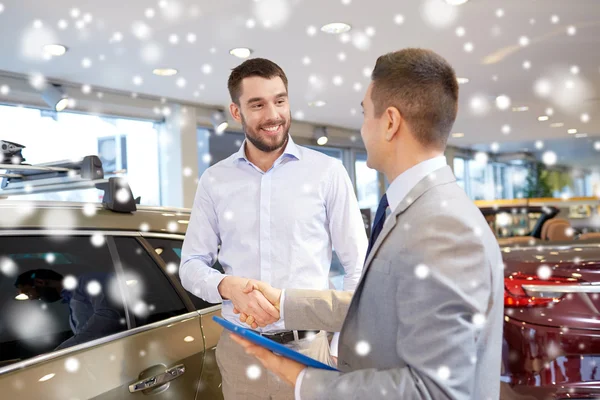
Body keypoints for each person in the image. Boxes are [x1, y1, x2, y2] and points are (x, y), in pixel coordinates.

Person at [231, 48, 504, 400]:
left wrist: (302, 379)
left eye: (365, 114)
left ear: (390, 122)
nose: (362, 128)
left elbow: (435, 392)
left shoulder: (444, 229)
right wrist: (285, 303)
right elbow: (381, 305)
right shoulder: (416, 210)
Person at [179, 57, 368, 399]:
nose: (273, 115)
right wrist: (225, 285)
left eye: (280, 100)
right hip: (240, 354)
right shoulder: (214, 181)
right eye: (258, 104)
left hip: (309, 352)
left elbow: (359, 264)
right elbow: (190, 265)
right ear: (236, 112)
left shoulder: (327, 173)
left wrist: (341, 345)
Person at [14, 269, 124, 350]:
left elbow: (108, 316)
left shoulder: (88, 281)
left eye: (27, 292)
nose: (31, 299)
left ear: (39, 282)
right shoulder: (71, 301)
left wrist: (62, 350)